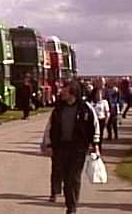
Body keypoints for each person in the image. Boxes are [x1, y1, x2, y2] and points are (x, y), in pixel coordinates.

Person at [44, 80, 100, 214]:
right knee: (64, 177)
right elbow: (49, 128)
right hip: (61, 148)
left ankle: (71, 208)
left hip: (78, 149)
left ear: (72, 92)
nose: (61, 91)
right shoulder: (58, 109)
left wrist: (95, 145)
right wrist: (48, 144)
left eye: (65, 89)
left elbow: (95, 126)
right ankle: (70, 202)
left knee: (73, 178)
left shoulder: (85, 108)